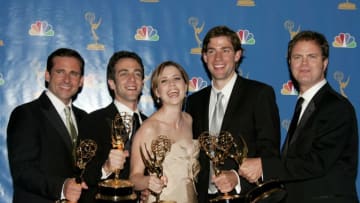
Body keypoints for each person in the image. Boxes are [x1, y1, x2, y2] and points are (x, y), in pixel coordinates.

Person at [239, 30, 359, 203]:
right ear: (289, 63)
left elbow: (317, 162)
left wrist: (263, 166)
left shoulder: (336, 107)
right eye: (297, 57)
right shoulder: (304, 105)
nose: (304, 63)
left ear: (325, 63)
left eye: (312, 56)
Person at [186, 25, 281, 202]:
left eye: (225, 50)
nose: (218, 58)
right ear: (204, 57)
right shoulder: (194, 102)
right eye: (212, 51)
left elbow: (269, 153)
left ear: (237, 55)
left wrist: (237, 178)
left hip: (245, 197)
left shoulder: (259, 94)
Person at [7, 48, 88, 203]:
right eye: (60, 72)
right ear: (47, 75)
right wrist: (62, 187)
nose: (67, 79)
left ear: (81, 81)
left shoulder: (84, 118)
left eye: (74, 73)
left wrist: (106, 168)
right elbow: (23, 171)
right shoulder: (26, 114)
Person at [78, 50, 147, 203]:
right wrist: (106, 167)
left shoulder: (151, 124)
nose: (132, 79)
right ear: (111, 83)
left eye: (137, 73)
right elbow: (83, 174)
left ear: (143, 82)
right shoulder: (93, 121)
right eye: (124, 74)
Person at [129, 61, 200, 203]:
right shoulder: (149, 128)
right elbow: (133, 178)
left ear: (185, 86)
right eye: (164, 81)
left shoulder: (189, 120)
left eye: (176, 78)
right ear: (157, 92)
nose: (172, 84)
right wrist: (148, 182)